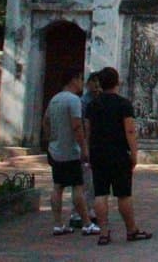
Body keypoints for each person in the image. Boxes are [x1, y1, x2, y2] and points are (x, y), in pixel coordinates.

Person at [85, 66, 152, 245]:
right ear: (117, 82)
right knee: (123, 194)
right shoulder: (123, 104)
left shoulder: (93, 104)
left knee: (100, 193)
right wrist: (134, 153)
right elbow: (129, 130)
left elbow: (88, 131)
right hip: (118, 153)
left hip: (98, 153)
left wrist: (89, 151)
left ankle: (104, 232)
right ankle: (131, 230)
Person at [43, 68, 99, 237]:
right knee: (78, 187)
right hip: (70, 150)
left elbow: (45, 121)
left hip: (56, 149)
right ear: (74, 80)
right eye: (81, 79)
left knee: (58, 186)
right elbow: (77, 126)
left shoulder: (55, 99)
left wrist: (51, 140)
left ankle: (58, 224)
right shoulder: (73, 100)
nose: (82, 83)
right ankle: (86, 223)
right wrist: (84, 148)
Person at [77, 72, 101, 224]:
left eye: (99, 84)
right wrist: (84, 146)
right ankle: (80, 213)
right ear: (89, 84)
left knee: (93, 181)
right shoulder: (84, 102)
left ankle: (91, 210)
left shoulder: (97, 101)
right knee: (85, 182)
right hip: (86, 144)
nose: (97, 87)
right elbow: (82, 126)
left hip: (96, 145)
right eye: (95, 83)